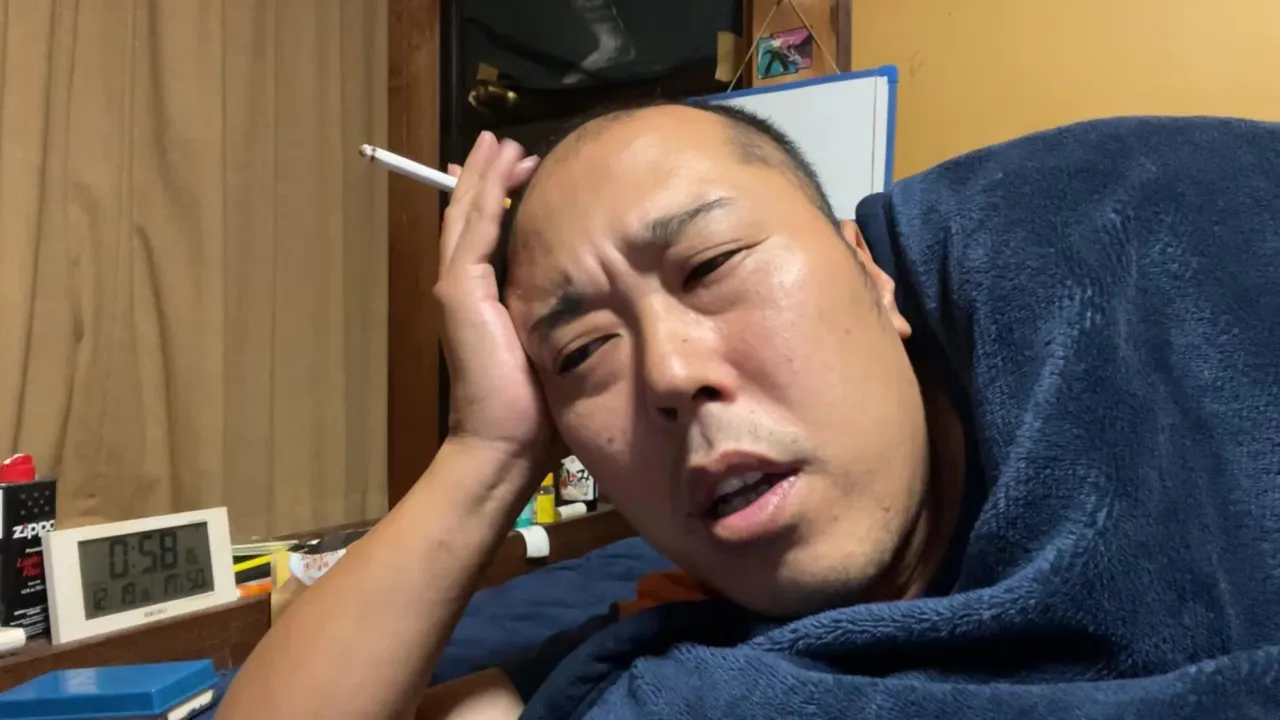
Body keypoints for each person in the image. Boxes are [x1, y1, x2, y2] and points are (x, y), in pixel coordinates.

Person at [218, 102, 1280, 718]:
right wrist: (485, 448)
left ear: (871, 274)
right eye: (582, 352)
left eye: (712, 264)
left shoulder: (1130, 266)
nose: (670, 373)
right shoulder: (675, 648)